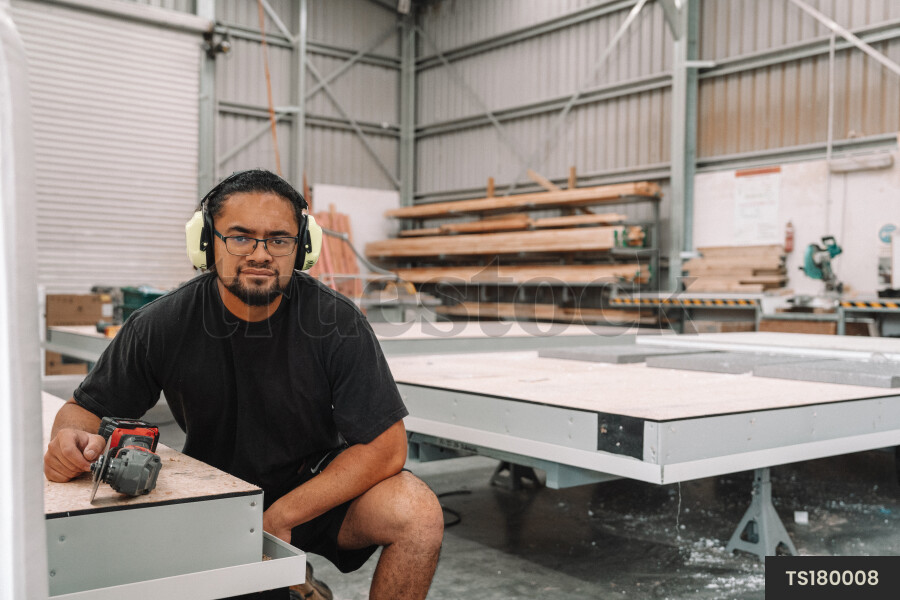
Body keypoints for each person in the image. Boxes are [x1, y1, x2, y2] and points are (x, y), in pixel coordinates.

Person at [43, 169, 444, 600]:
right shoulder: (162, 323)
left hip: (316, 492)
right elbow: (85, 410)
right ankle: (295, 583)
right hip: (213, 495)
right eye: (240, 237)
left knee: (418, 515)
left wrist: (283, 515)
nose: (261, 254)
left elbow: (387, 448)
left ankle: (293, 575)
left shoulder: (336, 322)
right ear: (206, 242)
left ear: (302, 247)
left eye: (279, 240)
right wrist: (70, 441)